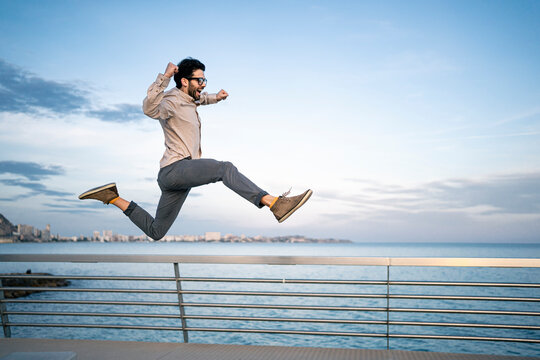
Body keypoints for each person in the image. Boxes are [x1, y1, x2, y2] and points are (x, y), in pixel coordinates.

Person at [79, 58, 312, 241]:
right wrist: (165, 77)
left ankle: (112, 197)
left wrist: (216, 98)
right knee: (224, 169)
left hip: (179, 178)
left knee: (157, 231)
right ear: (184, 81)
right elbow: (149, 109)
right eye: (199, 80)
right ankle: (274, 203)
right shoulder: (170, 101)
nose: (203, 84)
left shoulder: (190, 99)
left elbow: (200, 99)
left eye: (204, 80)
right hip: (176, 169)